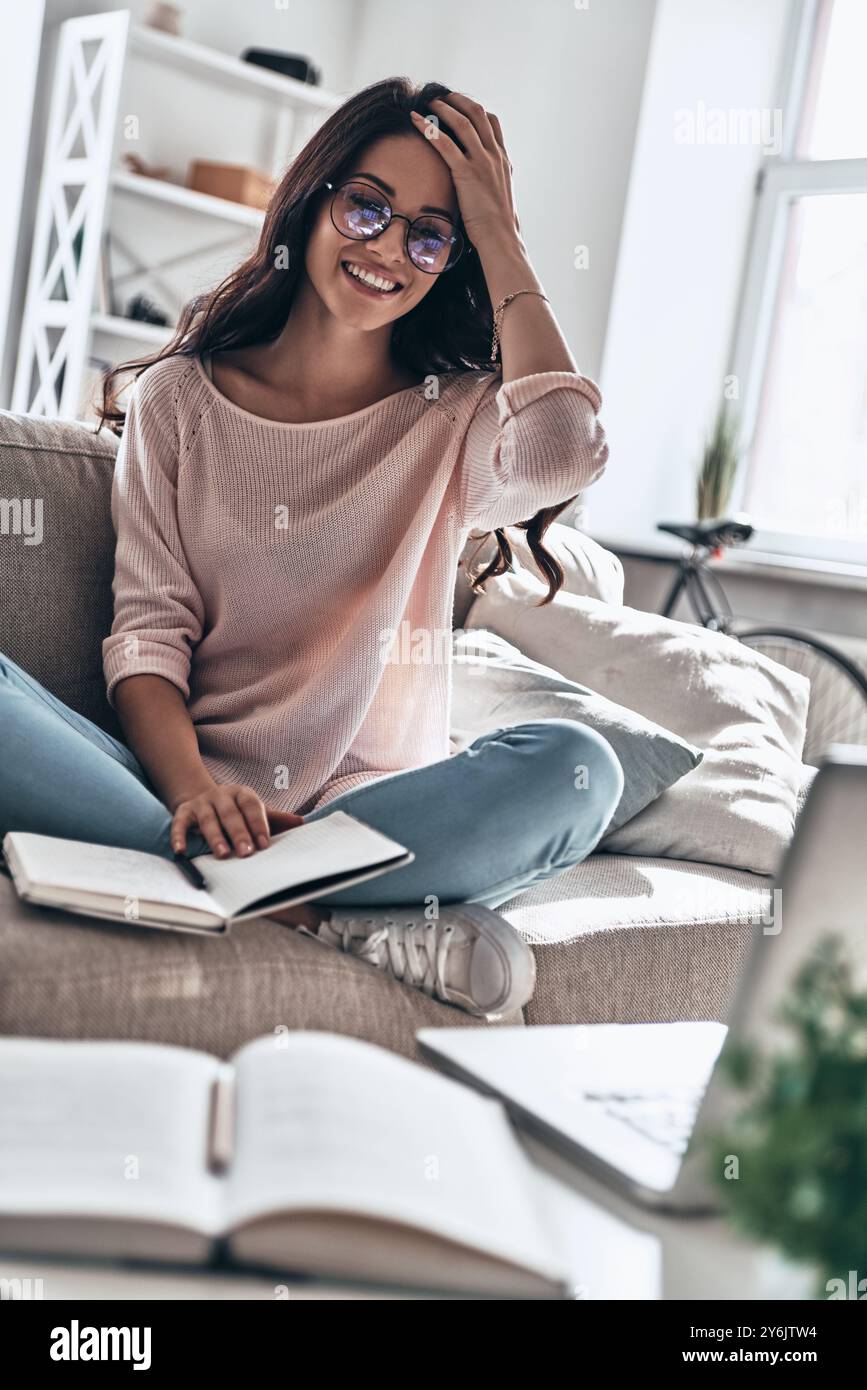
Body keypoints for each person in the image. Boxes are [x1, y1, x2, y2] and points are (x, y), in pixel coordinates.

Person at [0, 79, 623, 1019]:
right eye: (366, 206)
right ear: (313, 198)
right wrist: (196, 797)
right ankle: (315, 906)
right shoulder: (177, 402)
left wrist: (500, 235)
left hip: (363, 819)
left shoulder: (451, 419)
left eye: (429, 232)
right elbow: (147, 640)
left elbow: (564, 451)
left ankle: (256, 886)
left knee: (580, 765)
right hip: (179, 793)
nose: (386, 250)